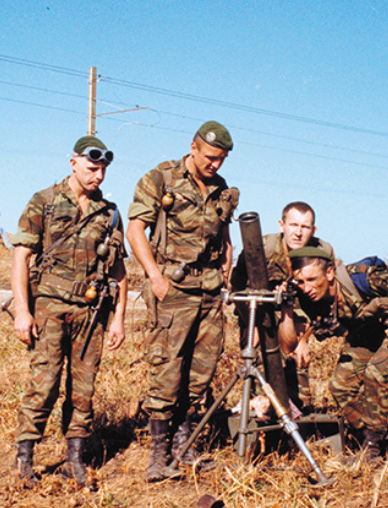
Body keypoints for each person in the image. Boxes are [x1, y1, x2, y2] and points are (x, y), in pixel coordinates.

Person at [10, 135, 128, 489]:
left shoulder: (110, 214)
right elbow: (21, 256)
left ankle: (74, 459)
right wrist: (21, 310)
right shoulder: (44, 202)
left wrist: (118, 318)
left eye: (103, 170)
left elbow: (120, 272)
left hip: (90, 315)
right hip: (48, 308)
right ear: (73, 162)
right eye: (93, 169)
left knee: (83, 390)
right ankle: (24, 459)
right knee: (43, 385)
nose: (99, 177)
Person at [126, 121, 239, 482]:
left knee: (201, 372)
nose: (215, 165)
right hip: (172, 288)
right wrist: (155, 278)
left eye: (221, 159)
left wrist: (225, 277)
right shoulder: (160, 179)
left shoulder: (221, 190)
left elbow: (225, 239)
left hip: (208, 290)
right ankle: (158, 453)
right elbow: (135, 231)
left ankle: (184, 444)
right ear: (193, 149)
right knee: (166, 369)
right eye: (210, 157)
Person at [278, 247, 388, 463]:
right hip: (368, 331)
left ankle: (374, 448)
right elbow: (289, 341)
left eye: (311, 279)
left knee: (376, 371)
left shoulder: (361, 278)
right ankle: (369, 434)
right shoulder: (306, 296)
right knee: (340, 385)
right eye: (300, 282)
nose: (306, 288)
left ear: (329, 273)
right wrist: (288, 309)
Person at [230, 201, 335, 410]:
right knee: (258, 365)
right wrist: (252, 326)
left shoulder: (321, 252)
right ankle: (260, 417)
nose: (298, 233)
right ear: (281, 226)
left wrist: (304, 339)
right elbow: (237, 286)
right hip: (258, 312)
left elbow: (322, 304)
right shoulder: (262, 249)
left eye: (305, 227)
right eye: (293, 225)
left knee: (297, 370)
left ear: (313, 230)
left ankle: (296, 414)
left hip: (296, 316)